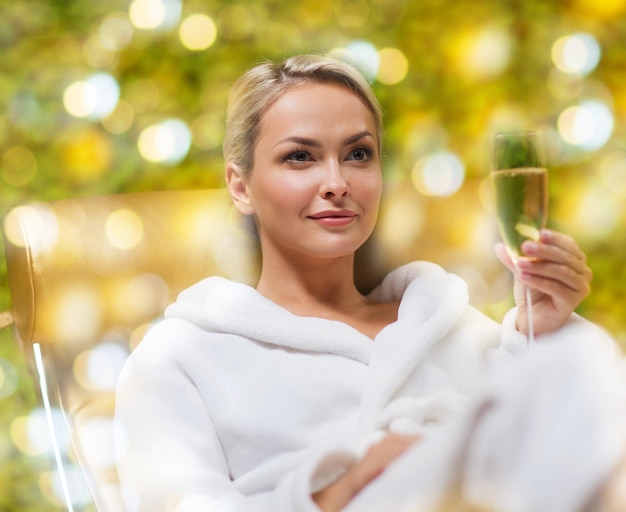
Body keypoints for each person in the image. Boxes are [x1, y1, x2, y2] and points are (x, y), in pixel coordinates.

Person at [114, 54, 626, 512]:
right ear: (240, 185)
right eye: (300, 156)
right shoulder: (180, 359)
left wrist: (545, 330)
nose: (337, 182)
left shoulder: (453, 329)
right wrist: (344, 487)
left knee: (578, 363)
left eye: (358, 154)